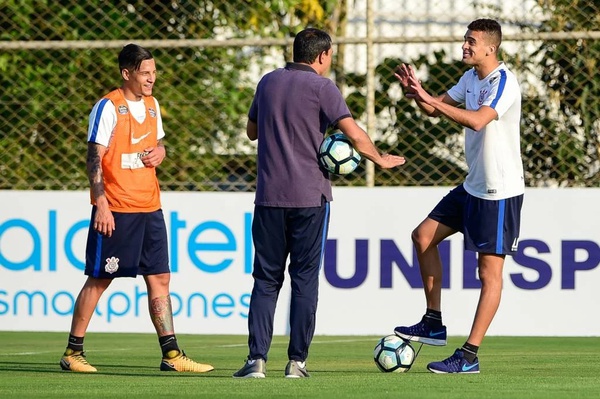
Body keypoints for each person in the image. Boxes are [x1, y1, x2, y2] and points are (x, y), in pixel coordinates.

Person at [233, 28, 406, 379]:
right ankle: (296, 363)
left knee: (266, 280)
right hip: (310, 199)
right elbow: (353, 132)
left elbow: (252, 132)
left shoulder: (267, 82)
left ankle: (256, 361)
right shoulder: (323, 87)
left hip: (268, 198)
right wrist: (379, 158)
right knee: (304, 280)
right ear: (322, 56)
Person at [59, 44, 213, 373]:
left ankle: (171, 355)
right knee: (100, 278)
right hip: (117, 209)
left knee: (160, 277)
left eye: (154, 73)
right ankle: (73, 352)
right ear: (126, 73)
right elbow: (93, 157)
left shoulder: (153, 106)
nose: (151, 79)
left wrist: (162, 151)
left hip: (150, 206)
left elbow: (155, 145)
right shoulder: (108, 107)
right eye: (145, 73)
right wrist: (101, 202)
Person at [393, 19, 524, 374]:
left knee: (489, 273)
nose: (464, 46)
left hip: (498, 192)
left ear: (489, 48)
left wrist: (429, 100)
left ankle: (469, 355)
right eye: (465, 40)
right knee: (422, 236)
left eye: (471, 41)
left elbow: (479, 121)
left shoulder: (504, 82)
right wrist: (417, 94)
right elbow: (434, 108)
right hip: (472, 186)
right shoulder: (470, 79)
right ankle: (433, 322)